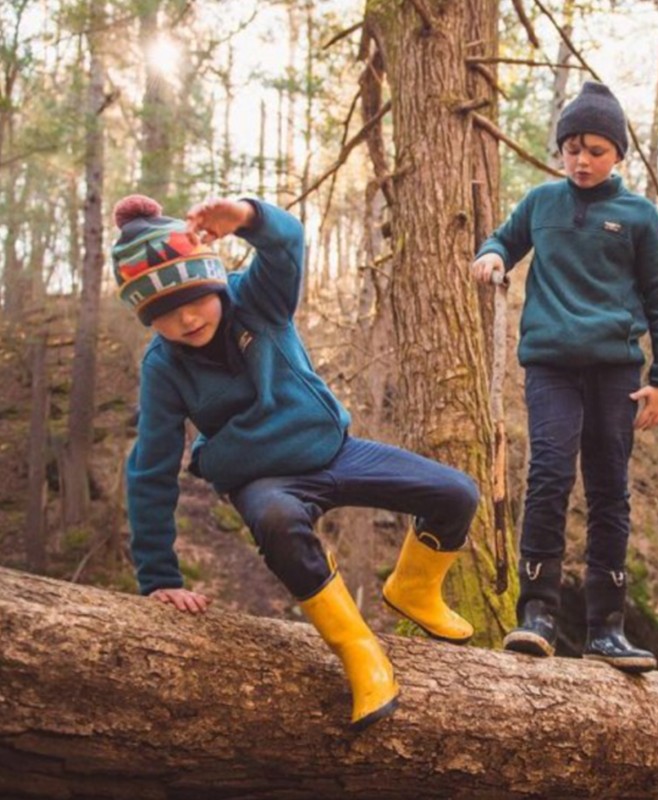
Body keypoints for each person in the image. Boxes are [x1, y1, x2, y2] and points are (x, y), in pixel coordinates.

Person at [112, 193, 479, 730]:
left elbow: (286, 246)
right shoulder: (163, 368)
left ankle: (413, 589)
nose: (186, 317)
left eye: (194, 298)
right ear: (147, 317)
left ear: (214, 282)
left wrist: (246, 217)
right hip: (264, 480)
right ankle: (360, 652)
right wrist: (158, 576)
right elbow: (150, 467)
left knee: (457, 493)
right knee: (280, 523)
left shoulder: (259, 301)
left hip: (335, 451)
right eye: (163, 312)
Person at [471, 81, 658, 673]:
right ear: (561, 150)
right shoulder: (541, 203)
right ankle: (536, 613)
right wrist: (490, 255)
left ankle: (605, 628)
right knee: (549, 474)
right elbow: (504, 240)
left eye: (595, 149)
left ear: (617, 153)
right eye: (572, 148)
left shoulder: (638, 217)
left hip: (618, 370)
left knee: (610, 488)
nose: (582, 160)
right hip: (551, 366)